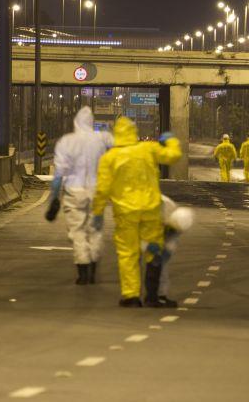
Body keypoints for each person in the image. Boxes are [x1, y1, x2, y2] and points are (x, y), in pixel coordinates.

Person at [92, 117, 182, 308]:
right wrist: (171, 140)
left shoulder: (109, 158)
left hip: (125, 213)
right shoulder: (147, 149)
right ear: (134, 132)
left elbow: (102, 189)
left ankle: (131, 296)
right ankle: (152, 296)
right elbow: (172, 156)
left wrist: (98, 212)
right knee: (154, 251)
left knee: (128, 254)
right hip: (150, 210)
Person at [49, 106, 113, 285]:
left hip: (73, 192)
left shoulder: (66, 141)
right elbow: (121, 149)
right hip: (96, 191)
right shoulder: (102, 138)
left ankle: (83, 273)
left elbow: (59, 174)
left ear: (75, 122)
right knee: (95, 230)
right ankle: (93, 268)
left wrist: (54, 198)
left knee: (77, 232)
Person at [152, 195, 195, 308]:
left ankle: (161, 295)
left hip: (159, 229)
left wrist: (165, 251)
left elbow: (172, 241)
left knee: (162, 262)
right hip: (146, 227)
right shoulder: (160, 207)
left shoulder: (177, 220)